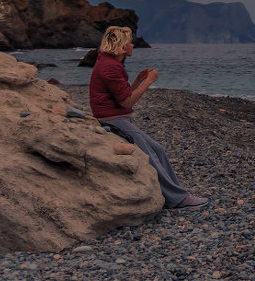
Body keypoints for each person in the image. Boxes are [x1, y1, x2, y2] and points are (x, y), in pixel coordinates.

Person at [89, 26, 208, 209]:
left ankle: (176, 193)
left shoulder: (111, 63)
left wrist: (137, 81)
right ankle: (177, 199)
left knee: (158, 149)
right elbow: (127, 102)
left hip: (117, 118)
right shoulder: (110, 67)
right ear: (121, 46)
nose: (132, 44)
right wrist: (148, 82)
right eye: (129, 42)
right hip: (113, 120)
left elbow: (121, 94)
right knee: (149, 155)